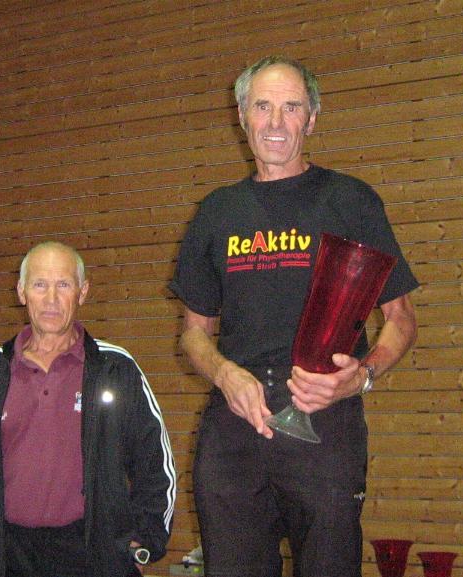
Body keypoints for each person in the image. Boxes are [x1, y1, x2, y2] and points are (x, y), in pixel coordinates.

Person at [169, 56, 418, 577]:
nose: (276, 122)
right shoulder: (216, 212)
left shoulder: (351, 201)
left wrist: (361, 377)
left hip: (324, 417)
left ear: (312, 118)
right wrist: (225, 374)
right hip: (236, 423)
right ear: (242, 116)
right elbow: (193, 333)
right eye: (263, 106)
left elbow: (401, 319)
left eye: (291, 107)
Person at [0, 241, 176, 577]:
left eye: (63, 285)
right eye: (40, 284)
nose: (51, 298)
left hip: (90, 558)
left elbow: (156, 462)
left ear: (83, 292)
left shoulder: (115, 368)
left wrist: (144, 541)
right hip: (7, 557)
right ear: (22, 292)